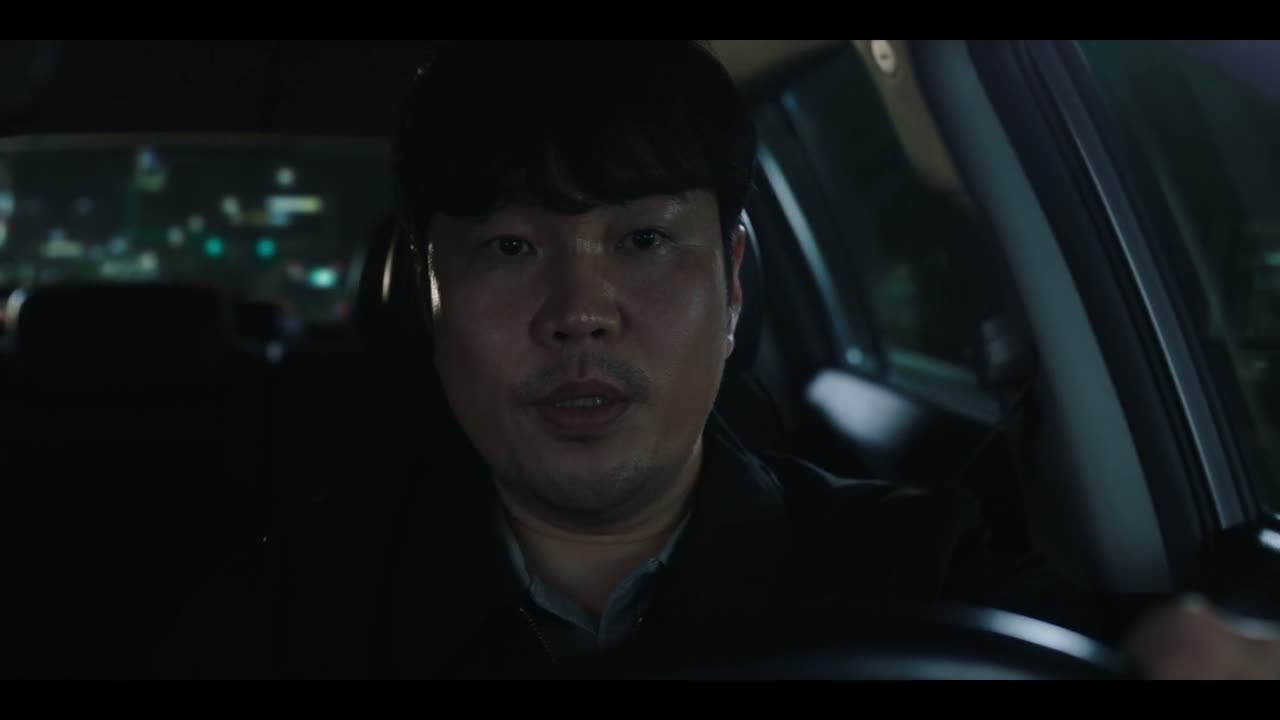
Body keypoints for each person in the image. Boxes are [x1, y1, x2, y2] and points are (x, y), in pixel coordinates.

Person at [154, 40, 1280, 680]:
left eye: (642, 241)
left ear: (733, 285)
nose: (579, 315)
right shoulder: (286, 619)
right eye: (510, 247)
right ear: (426, 300)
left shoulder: (918, 569)